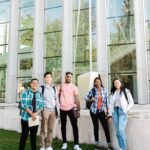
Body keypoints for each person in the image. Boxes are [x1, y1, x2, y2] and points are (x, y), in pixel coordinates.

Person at [84, 76, 113, 150]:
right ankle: (97, 144)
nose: (98, 82)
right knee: (96, 127)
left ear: (101, 82)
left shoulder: (105, 90)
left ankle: (109, 144)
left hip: (101, 111)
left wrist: (108, 112)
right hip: (93, 111)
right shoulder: (92, 90)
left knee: (106, 127)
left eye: (99, 81)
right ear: (94, 83)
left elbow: (107, 102)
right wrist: (91, 99)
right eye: (96, 81)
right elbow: (86, 97)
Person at [57, 72, 82, 150]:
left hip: (72, 108)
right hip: (62, 109)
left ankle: (76, 145)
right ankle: (64, 143)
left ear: (72, 78)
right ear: (65, 77)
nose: (69, 78)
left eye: (70, 77)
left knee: (75, 126)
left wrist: (78, 110)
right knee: (63, 126)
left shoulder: (74, 87)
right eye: (68, 77)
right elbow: (56, 97)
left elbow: (77, 99)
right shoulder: (60, 86)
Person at [109, 78, 134, 150]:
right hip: (115, 112)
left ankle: (123, 147)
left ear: (120, 83)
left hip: (122, 111)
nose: (116, 84)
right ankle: (121, 147)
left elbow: (131, 102)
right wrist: (110, 115)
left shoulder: (126, 91)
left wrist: (126, 109)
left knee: (120, 130)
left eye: (118, 82)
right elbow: (111, 105)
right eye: (115, 83)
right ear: (113, 84)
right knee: (117, 132)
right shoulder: (113, 92)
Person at [18, 78, 44, 150]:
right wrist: (32, 114)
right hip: (26, 118)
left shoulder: (40, 94)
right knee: (24, 136)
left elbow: (42, 106)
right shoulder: (25, 92)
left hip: (35, 119)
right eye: (33, 83)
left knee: (33, 137)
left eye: (36, 83)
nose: (35, 84)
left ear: (38, 85)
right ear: (30, 84)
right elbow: (23, 105)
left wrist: (36, 114)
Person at [40, 72, 60, 150]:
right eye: (47, 77)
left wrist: (57, 111)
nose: (48, 78)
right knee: (43, 129)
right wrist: (41, 111)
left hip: (53, 111)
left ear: (51, 78)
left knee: (50, 129)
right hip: (45, 110)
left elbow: (57, 100)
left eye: (50, 77)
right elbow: (39, 100)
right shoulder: (42, 88)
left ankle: (49, 146)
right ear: (45, 78)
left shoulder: (54, 88)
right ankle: (42, 146)